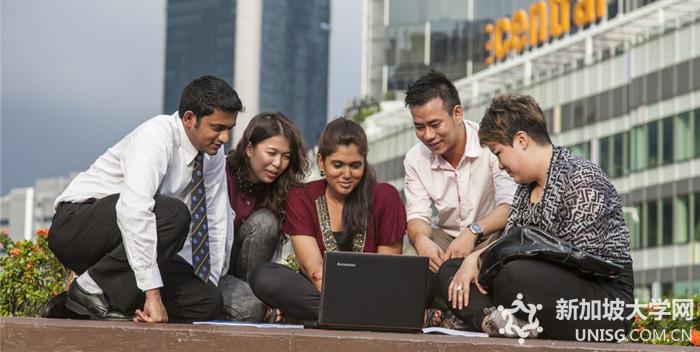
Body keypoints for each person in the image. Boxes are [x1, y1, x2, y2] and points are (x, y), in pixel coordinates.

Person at [438, 94, 634, 340]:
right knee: (452, 271)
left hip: (600, 301)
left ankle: (501, 318)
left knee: (513, 276)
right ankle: (493, 321)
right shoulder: (524, 189)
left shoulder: (582, 179)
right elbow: (510, 245)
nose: (500, 165)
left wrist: (483, 259)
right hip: (536, 292)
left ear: (521, 140)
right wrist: (474, 260)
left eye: (498, 153)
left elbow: (582, 262)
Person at [48, 75, 242, 323]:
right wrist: (153, 295)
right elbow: (134, 211)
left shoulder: (212, 155)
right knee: (174, 214)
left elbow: (215, 219)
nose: (225, 137)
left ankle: (78, 306)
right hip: (79, 228)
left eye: (229, 129)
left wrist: (209, 280)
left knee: (207, 301)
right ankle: (89, 288)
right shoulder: (156, 137)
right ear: (189, 119)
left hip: (133, 245)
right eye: (217, 128)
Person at [249, 117, 407, 321]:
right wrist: (350, 303)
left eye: (355, 165)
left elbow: (386, 269)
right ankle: (365, 316)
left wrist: (365, 297)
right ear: (321, 161)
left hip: (373, 292)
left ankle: (340, 315)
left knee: (420, 280)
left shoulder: (385, 196)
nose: (347, 174)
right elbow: (313, 267)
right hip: (320, 291)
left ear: (364, 162)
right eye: (338, 165)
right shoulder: (302, 196)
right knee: (264, 276)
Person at [403, 70, 517, 309]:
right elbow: (417, 217)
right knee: (411, 257)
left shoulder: (489, 144)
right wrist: (422, 240)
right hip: (445, 238)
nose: (428, 135)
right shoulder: (414, 159)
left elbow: (509, 207)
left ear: (457, 113)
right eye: (419, 127)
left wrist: (473, 231)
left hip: (489, 233)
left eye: (435, 124)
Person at [219, 112, 308, 322]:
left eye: (286, 156)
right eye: (272, 153)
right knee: (253, 307)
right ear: (249, 149)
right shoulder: (219, 174)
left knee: (266, 221)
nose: (278, 163)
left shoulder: (283, 190)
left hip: (254, 279)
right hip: (214, 273)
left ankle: (260, 301)